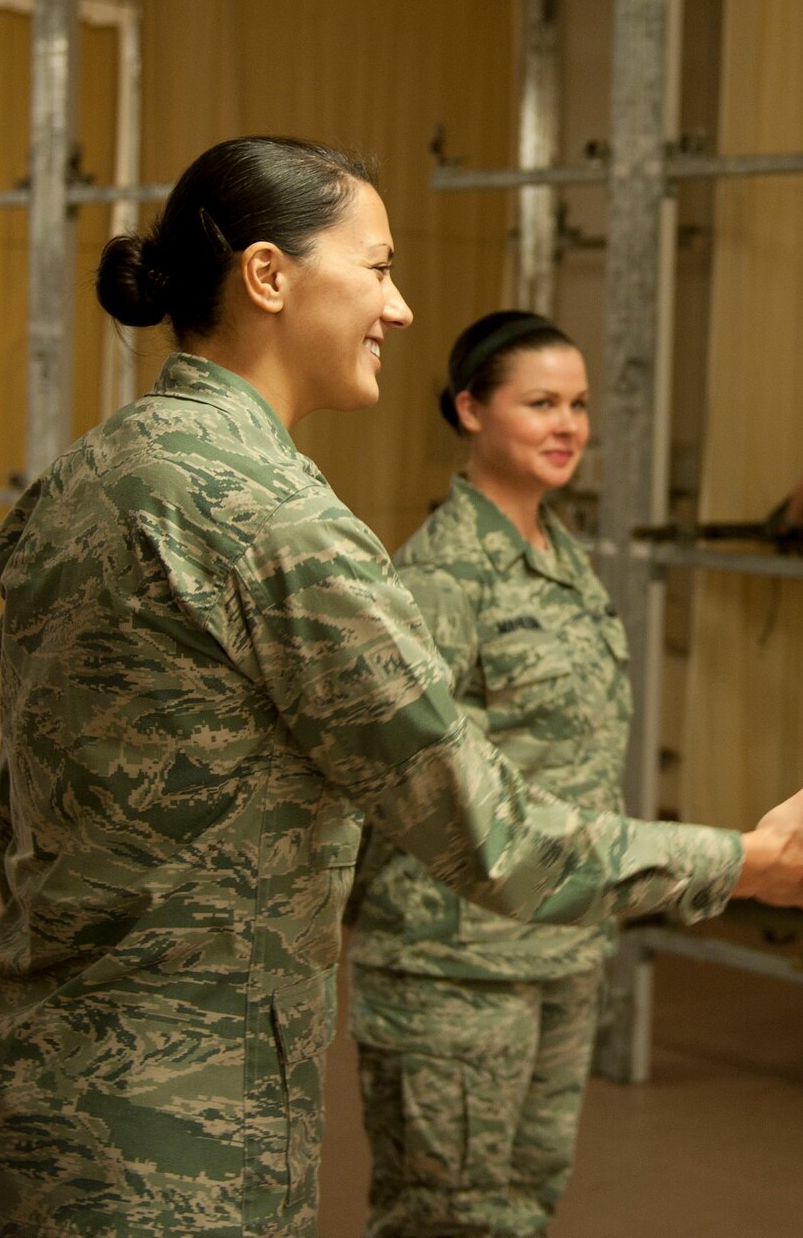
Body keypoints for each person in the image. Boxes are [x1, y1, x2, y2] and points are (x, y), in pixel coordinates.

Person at [0, 137, 803, 1238]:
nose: (399, 309)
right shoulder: (279, 524)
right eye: (376, 267)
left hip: (21, 1076)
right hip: (174, 1126)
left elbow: (25, 806)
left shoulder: (85, 474)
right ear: (268, 276)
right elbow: (484, 829)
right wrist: (740, 861)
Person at [344, 311, 627, 1236]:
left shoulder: (561, 556)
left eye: (579, 404)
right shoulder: (439, 579)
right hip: (455, 965)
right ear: (470, 409)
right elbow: (389, 778)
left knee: (526, 1201)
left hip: (560, 940)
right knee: (449, 1216)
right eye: (539, 402)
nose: (567, 425)